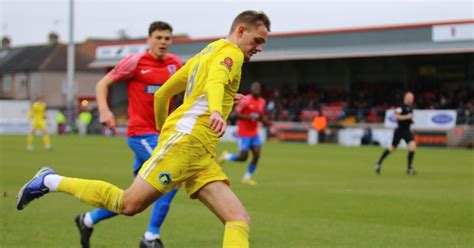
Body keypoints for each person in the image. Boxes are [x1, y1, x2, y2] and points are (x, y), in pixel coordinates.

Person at [17, 10, 271, 248]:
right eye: (257, 40)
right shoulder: (232, 54)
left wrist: (167, 129)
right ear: (240, 30)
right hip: (187, 143)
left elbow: (163, 94)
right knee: (127, 204)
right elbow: (216, 80)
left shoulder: (207, 52)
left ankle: (144, 232)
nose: (259, 47)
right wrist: (216, 109)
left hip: (199, 153)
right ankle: (48, 181)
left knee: (238, 219)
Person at [74, 21, 183, 248]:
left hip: (162, 135)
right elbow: (102, 84)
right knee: (171, 178)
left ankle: (87, 220)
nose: (163, 42)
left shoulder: (175, 64)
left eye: (167, 38)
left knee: (134, 200)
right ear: (149, 39)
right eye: (159, 37)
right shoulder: (135, 62)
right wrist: (105, 111)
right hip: (141, 134)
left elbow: (191, 90)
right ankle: (150, 237)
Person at [218, 82, 270, 186]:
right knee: (243, 157)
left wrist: (267, 122)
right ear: (251, 89)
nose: (256, 89)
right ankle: (226, 156)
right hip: (243, 132)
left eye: (258, 88)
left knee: (257, 155)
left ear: (260, 89)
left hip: (254, 132)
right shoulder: (246, 100)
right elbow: (236, 113)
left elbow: (261, 116)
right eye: (254, 87)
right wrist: (248, 118)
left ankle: (247, 178)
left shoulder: (262, 102)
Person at [375, 91, 417, 175]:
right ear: (406, 97)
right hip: (399, 131)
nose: (412, 99)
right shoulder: (400, 107)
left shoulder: (410, 107)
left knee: (412, 146)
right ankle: (379, 162)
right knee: (392, 148)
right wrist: (406, 117)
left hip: (407, 131)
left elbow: (408, 118)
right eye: (410, 97)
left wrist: (411, 121)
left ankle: (409, 168)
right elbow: (396, 116)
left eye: (412, 97)